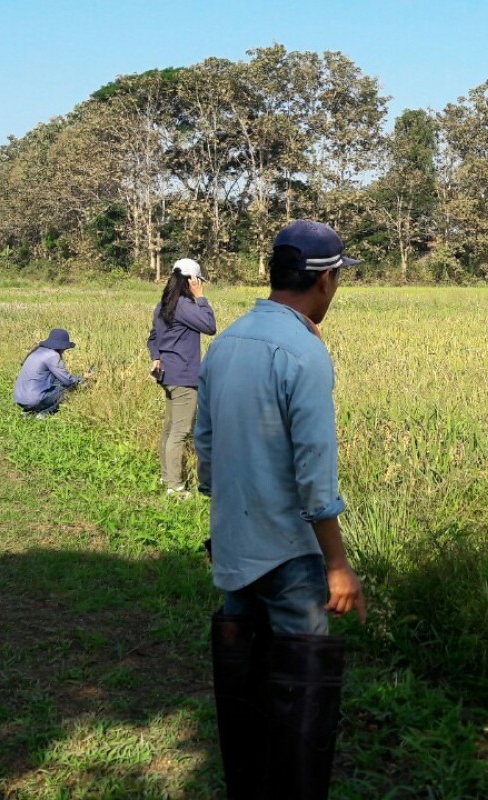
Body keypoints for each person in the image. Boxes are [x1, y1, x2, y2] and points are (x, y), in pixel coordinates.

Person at [195, 220, 365, 799]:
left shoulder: (227, 344)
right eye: (338, 278)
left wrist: (222, 525)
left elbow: (208, 446)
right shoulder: (305, 353)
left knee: (245, 678)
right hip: (292, 554)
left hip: (238, 545)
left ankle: (248, 784)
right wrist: (337, 565)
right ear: (325, 281)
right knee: (301, 686)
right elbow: (315, 475)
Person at [146, 258, 217, 497]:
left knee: (169, 429)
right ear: (191, 281)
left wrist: (156, 356)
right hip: (185, 377)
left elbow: (153, 338)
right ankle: (174, 487)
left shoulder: (163, 304)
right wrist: (201, 297)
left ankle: (166, 476)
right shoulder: (185, 305)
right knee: (180, 431)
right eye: (198, 281)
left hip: (167, 374)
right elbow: (209, 325)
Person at [13, 328, 88, 417]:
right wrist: (83, 377)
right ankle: (44, 414)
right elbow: (67, 381)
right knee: (65, 390)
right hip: (32, 399)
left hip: (19, 398)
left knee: (56, 383)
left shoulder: (38, 351)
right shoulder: (52, 356)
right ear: (62, 346)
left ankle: (29, 411)